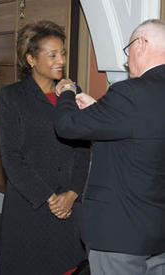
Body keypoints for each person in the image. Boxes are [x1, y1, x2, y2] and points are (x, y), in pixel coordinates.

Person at [54, 19, 165, 275]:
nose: (127, 62)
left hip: (121, 233)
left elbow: (67, 125)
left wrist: (68, 92)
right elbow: (143, 131)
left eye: (128, 52)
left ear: (141, 44)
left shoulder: (130, 92)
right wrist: (98, 110)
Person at [0, 20, 91, 275]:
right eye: (52, 55)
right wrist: (50, 199)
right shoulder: (11, 97)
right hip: (32, 203)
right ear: (31, 59)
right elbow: (12, 158)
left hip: (68, 204)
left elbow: (83, 150)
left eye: (63, 53)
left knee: (66, 264)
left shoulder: (72, 92)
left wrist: (71, 194)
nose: (60, 60)